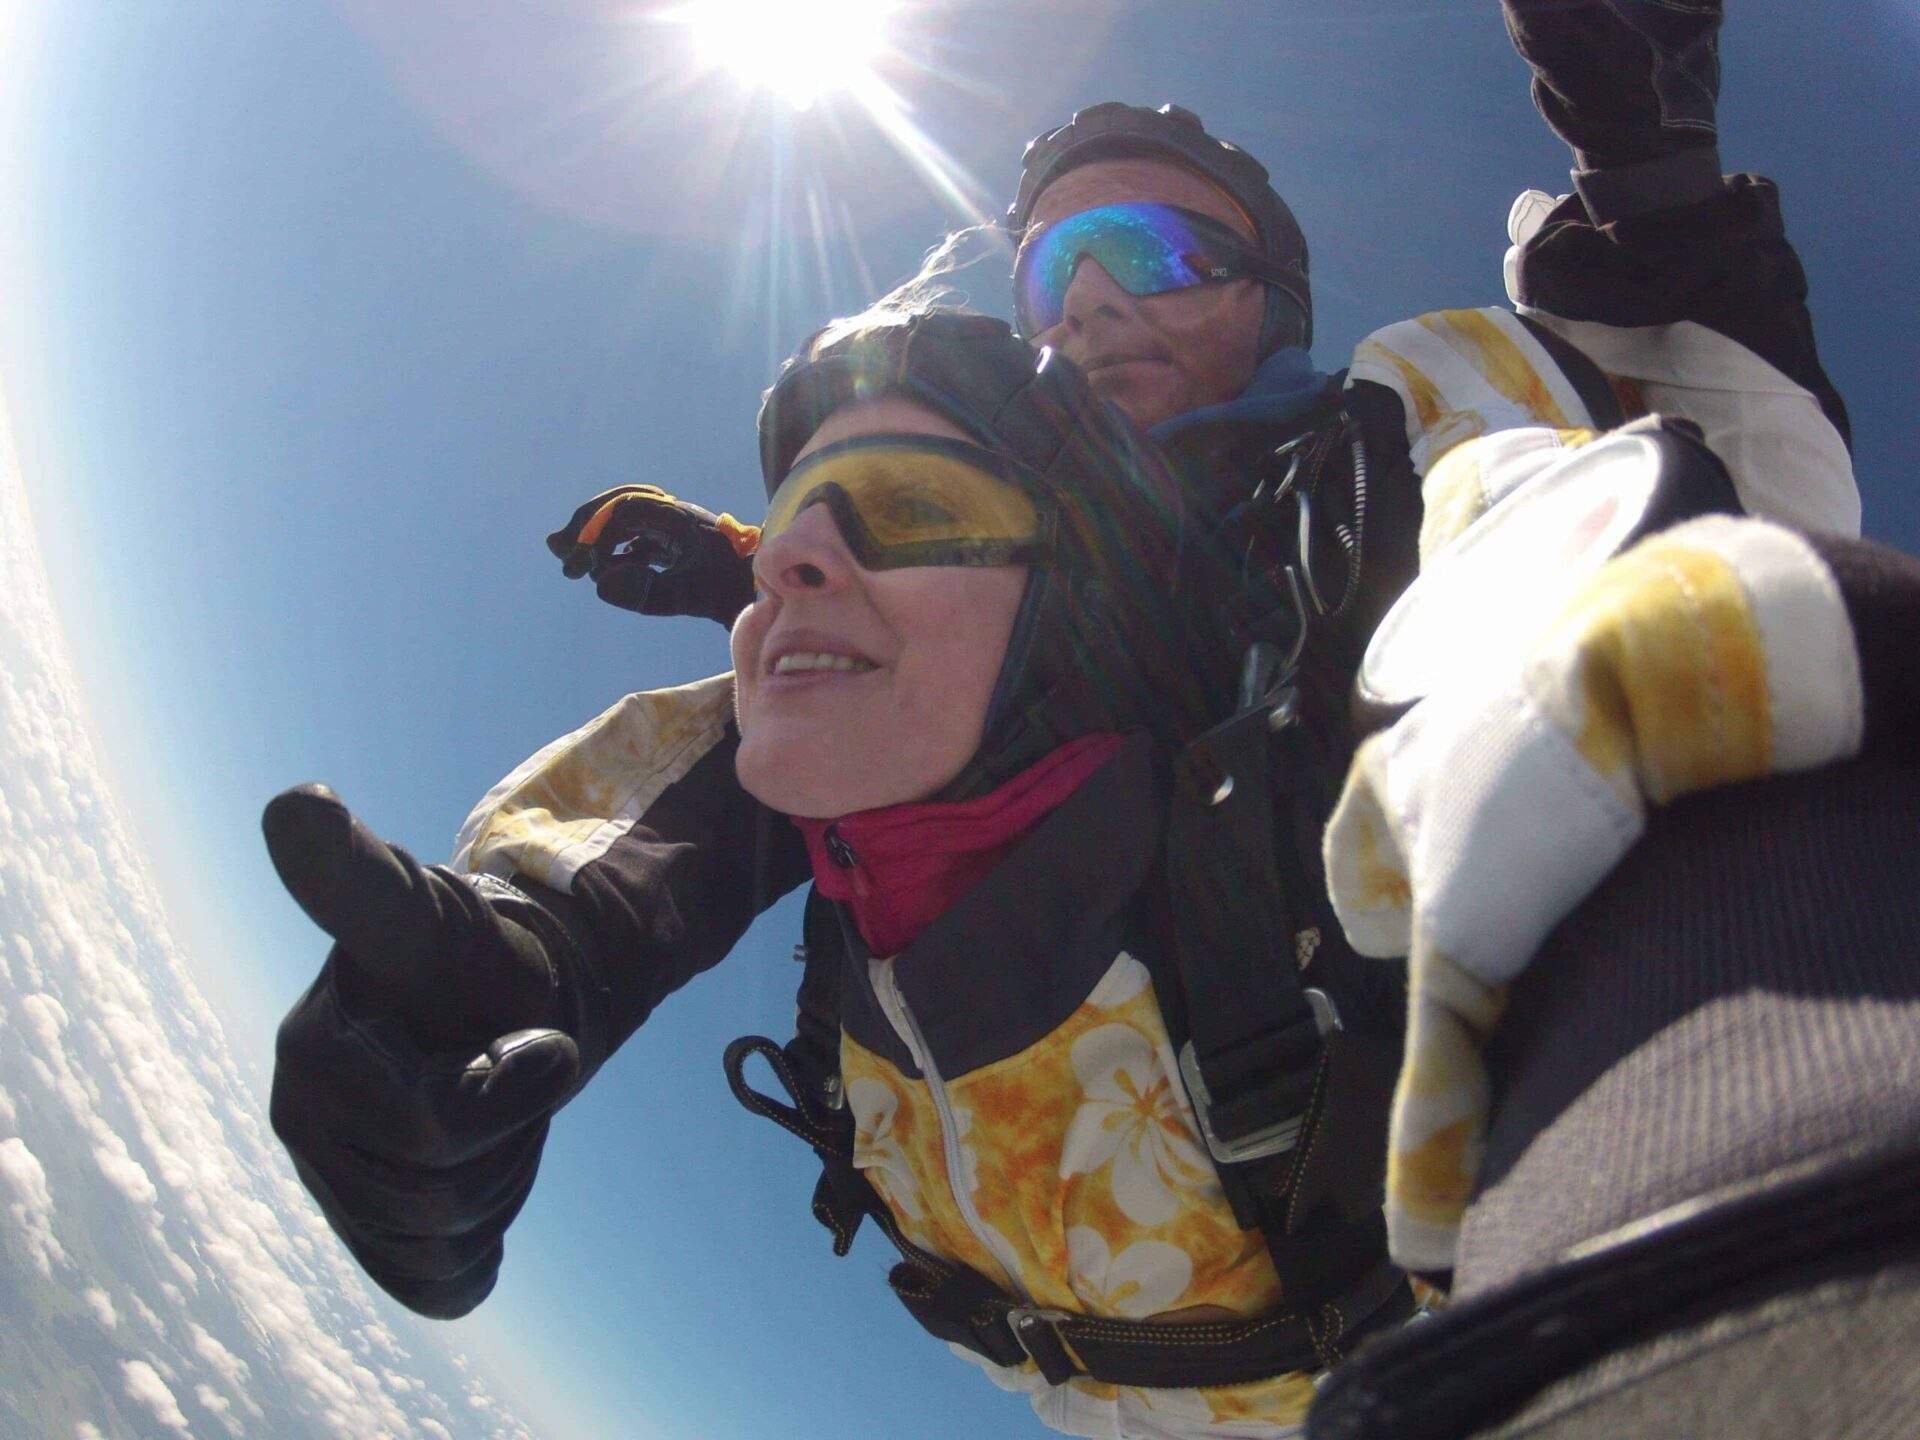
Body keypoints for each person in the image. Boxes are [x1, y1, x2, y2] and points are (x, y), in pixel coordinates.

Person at [266, 0, 1877, 1422]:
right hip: (1102, 1363)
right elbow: (772, 727)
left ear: (1274, 308)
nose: (1100, 307)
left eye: (1166, 258)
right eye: (1059, 266)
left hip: (1440, 1350)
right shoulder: (964, 542)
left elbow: (1650, 573)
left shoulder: (1382, 465)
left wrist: (1742, 1066)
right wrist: (534, 944)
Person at [270, 308, 1405, 1436]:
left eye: (915, 505)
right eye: (779, 537)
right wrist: (514, 962)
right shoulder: (856, 853)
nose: (791, 561)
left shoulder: (1325, 850)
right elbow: (703, 790)